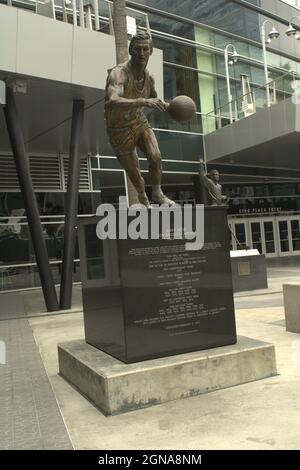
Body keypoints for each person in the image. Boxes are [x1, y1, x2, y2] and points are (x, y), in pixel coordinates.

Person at [105, 31, 175, 207]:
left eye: (146, 49)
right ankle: (143, 195)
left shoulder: (148, 78)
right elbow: (113, 100)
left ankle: (158, 192)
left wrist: (169, 106)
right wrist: (143, 101)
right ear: (131, 50)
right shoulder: (119, 73)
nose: (142, 53)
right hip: (119, 131)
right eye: (138, 49)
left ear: (150, 51)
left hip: (138, 122)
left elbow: (155, 99)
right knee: (136, 175)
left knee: (156, 155)